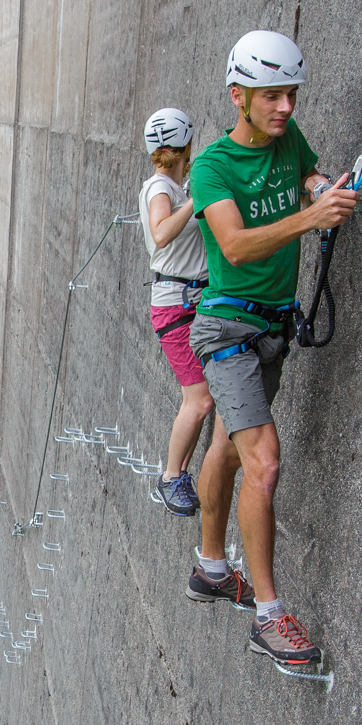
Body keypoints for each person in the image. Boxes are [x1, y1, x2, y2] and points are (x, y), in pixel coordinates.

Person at [181, 30, 358, 668]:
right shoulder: (212, 166)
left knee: (228, 447)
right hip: (225, 332)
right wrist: (313, 219)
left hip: (273, 331)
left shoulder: (288, 139)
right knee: (265, 462)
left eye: (292, 94)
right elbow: (233, 245)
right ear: (239, 97)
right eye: (272, 96)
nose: (286, 106)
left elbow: (305, 170)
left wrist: (314, 188)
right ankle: (269, 617)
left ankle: (209, 566)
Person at [137, 107, 213, 518]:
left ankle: (178, 474)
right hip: (178, 308)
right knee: (199, 400)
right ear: (186, 144)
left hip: (190, 301)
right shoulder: (161, 188)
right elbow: (163, 232)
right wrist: (196, 203)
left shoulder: (171, 187)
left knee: (204, 396)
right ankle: (170, 477)